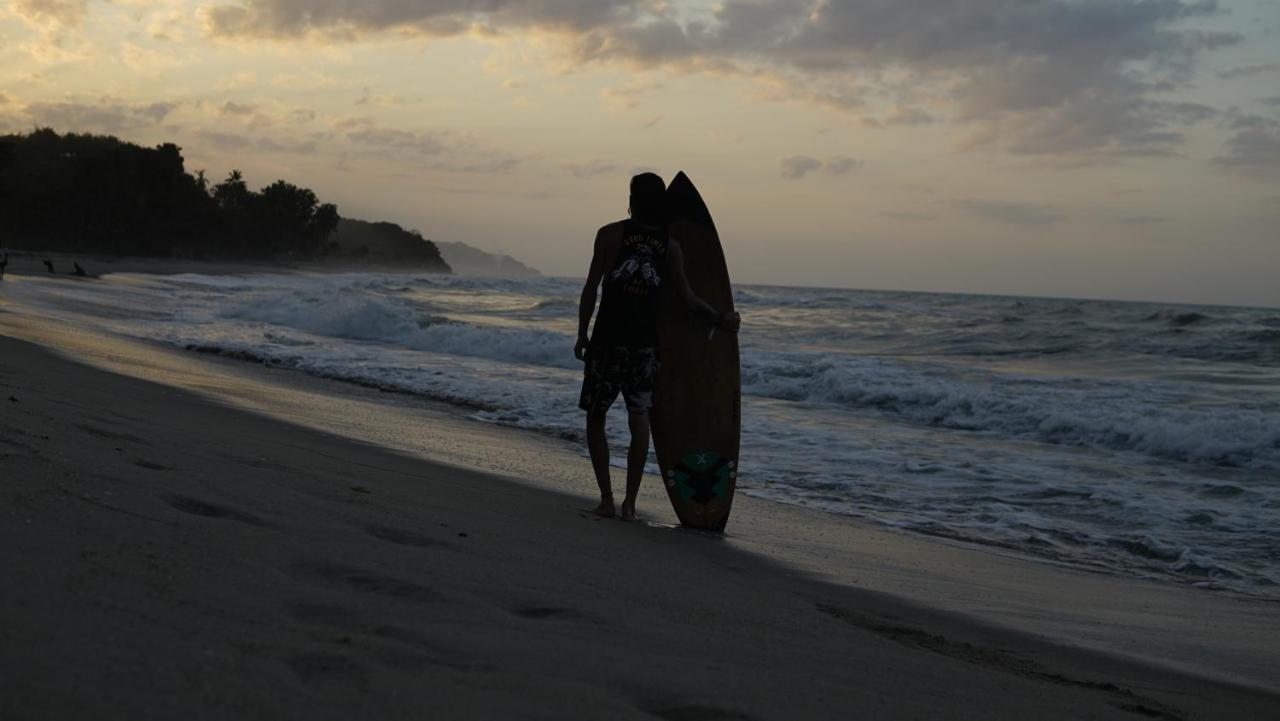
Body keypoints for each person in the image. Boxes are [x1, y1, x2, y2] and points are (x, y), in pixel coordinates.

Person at [575, 173, 740, 521]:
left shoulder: (609, 234)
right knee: (639, 420)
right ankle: (630, 505)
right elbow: (689, 299)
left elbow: (591, 288)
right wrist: (720, 319)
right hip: (644, 347)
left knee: (596, 417)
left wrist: (582, 333)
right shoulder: (670, 246)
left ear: (631, 199)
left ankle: (606, 499)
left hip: (607, 342)